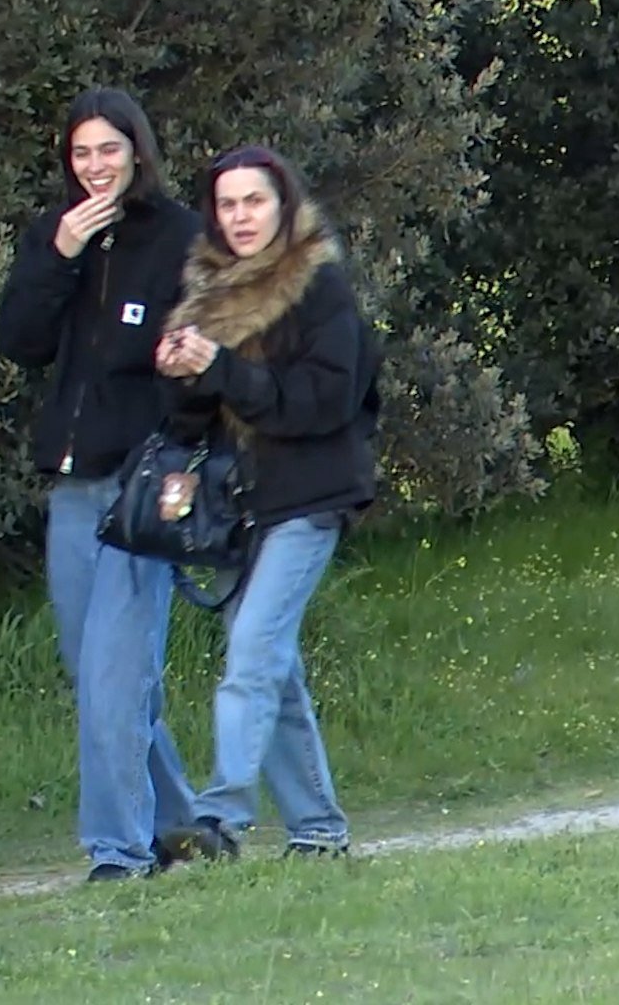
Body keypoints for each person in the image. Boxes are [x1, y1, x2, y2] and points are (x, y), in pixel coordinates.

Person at [0, 87, 201, 880]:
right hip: (74, 486)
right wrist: (60, 254)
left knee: (117, 674)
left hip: (144, 483)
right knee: (97, 673)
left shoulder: (180, 235)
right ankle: (179, 826)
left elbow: (200, 358)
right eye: (80, 153)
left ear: (137, 151)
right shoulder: (57, 234)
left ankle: (117, 851)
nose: (94, 166)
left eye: (108, 150)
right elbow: (21, 341)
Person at [153, 145, 381, 862]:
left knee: (252, 650)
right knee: (273, 671)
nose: (241, 217)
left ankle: (219, 816)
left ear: (284, 205)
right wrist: (182, 374)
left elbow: (320, 403)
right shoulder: (206, 292)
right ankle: (319, 831)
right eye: (227, 204)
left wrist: (220, 368)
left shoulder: (319, 285)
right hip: (239, 506)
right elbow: (192, 421)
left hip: (311, 496)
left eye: (254, 201)